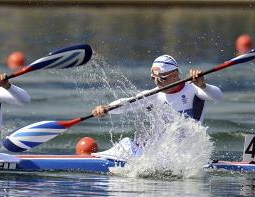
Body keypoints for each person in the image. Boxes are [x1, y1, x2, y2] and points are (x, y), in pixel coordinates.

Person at [91, 55, 224, 159]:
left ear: (175, 75)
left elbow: (218, 97)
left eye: (162, 79)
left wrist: (203, 85)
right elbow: (127, 104)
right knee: (129, 143)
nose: (158, 83)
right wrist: (107, 108)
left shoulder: (193, 89)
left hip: (188, 156)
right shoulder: (154, 95)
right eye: (154, 79)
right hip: (163, 154)